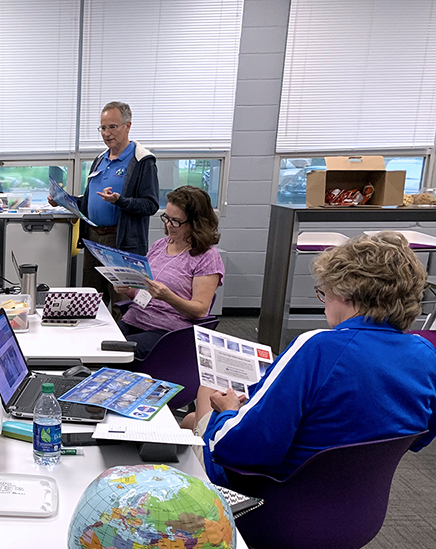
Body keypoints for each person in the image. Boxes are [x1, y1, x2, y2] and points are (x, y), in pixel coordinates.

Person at [182, 232, 436, 489]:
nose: (325, 303)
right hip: (358, 503)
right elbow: (419, 438)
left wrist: (228, 412)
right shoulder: (426, 354)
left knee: (206, 394)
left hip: (270, 498)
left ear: (346, 293)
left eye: (325, 293)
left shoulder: (318, 346)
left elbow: (241, 449)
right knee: (192, 420)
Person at [53, 102, 159, 294]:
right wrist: (64, 200)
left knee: (122, 301)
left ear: (127, 126)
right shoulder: (100, 159)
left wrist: (120, 201)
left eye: (112, 127)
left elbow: (150, 205)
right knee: (92, 297)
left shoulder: (142, 161)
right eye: (103, 128)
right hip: (94, 238)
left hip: (121, 240)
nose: (106, 133)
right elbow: (89, 200)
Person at [115, 186, 224, 358]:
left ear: (196, 223)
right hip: (136, 318)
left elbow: (200, 310)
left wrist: (168, 296)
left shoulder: (206, 256)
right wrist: (128, 288)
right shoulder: (160, 245)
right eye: (166, 218)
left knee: (112, 351)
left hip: (168, 331)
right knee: (93, 342)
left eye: (176, 221)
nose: (168, 225)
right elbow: (143, 293)